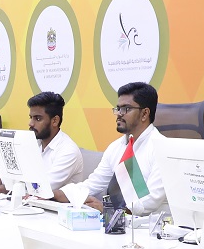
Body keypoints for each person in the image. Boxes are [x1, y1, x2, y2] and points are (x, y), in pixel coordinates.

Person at [53, 82, 166, 215]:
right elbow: (93, 184)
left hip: (150, 224)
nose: (119, 114)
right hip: (118, 221)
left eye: (126, 109)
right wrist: (52, 194)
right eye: (118, 108)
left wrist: (110, 211)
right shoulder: (116, 147)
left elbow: (151, 200)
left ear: (145, 113)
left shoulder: (162, 148)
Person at [0, 91, 83, 194]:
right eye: (31, 117)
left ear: (55, 121)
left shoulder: (68, 151)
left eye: (38, 118)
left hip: (52, 204)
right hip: (28, 202)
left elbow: (41, 188)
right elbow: (9, 175)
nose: (31, 123)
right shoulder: (33, 143)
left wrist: (0, 189)